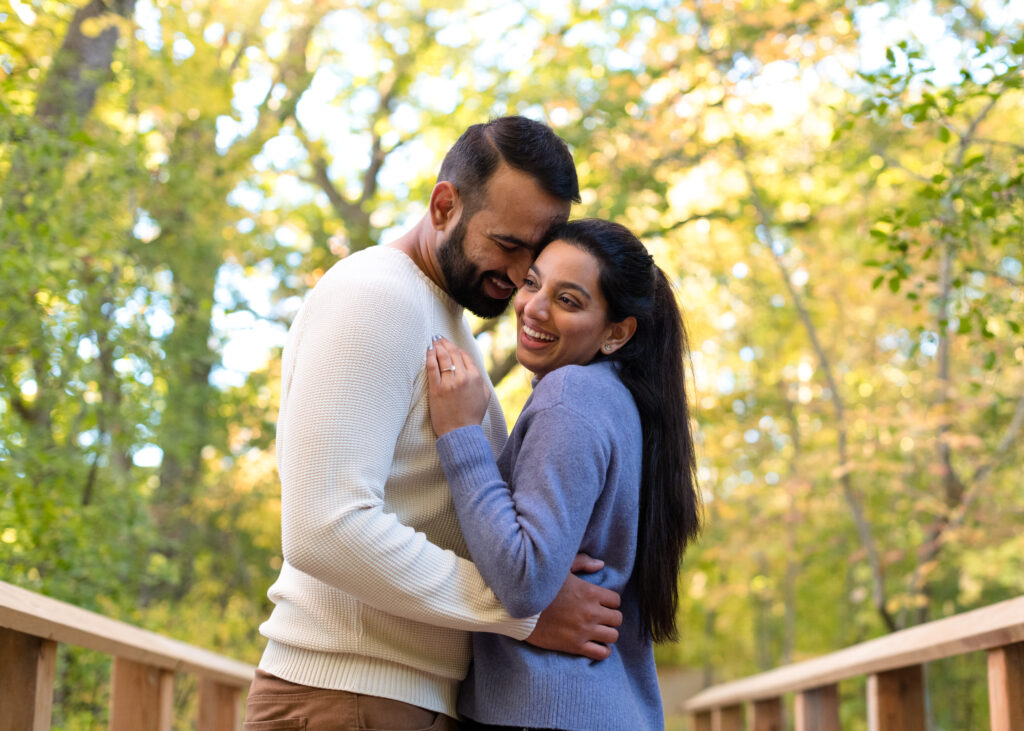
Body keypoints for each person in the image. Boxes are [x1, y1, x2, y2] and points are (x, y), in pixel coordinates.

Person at [245, 119, 624, 731]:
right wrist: (519, 612)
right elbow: (323, 526)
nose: (521, 274)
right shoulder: (377, 296)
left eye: (537, 251)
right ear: (444, 205)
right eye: (506, 245)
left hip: (394, 699)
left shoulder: (444, 313)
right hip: (348, 696)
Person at [425, 218, 702, 730]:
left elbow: (524, 578)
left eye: (568, 300)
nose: (534, 307)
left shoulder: (570, 394)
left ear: (616, 332)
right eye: (532, 282)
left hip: (545, 712)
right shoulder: (624, 405)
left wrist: (460, 435)